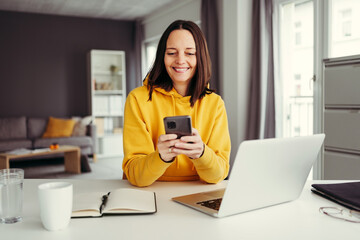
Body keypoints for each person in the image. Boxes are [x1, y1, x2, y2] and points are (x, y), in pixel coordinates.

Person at [122, 20, 231, 187]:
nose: (180, 60)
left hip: (197, 194)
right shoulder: (137, 99)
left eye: (190, 53)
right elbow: (136, 176)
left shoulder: (215, 103)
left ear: (199, 57)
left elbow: (219, 175)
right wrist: (160, 157)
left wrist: (202, 153)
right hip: (150, 194)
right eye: (172, 53)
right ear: (162, 56)